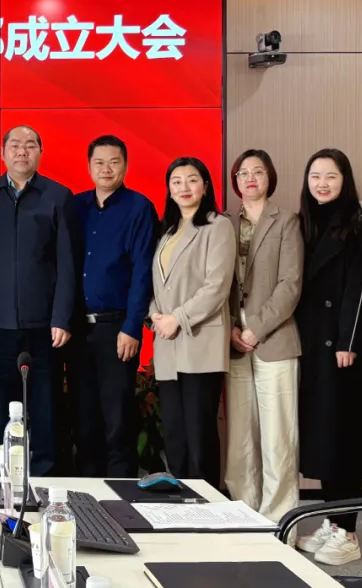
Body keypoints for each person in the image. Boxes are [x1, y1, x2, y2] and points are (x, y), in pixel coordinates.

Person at [294, 149, 362, 567]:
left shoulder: (356, 225)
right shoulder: (307, 224)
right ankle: (332, 520)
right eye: (315, 176)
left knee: (344, 440)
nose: (322, 183)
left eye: (331, 175)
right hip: (313, 347)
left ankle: (348, 532)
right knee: (325, 439)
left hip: (343, 351)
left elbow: (361, 290)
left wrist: (350, 342)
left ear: (345, 180)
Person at [0, 125, 75, 478]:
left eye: (30, 145)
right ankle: (5, 477)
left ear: (40, 152)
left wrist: (62, 317)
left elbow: (67, 262)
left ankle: (45, 478)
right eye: (15, 145)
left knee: (45, 406)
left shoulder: (58, 196)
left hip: (45, 326)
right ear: (3, 152)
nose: (22, 151)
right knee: (2, 408)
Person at [222, 150, 303, 522]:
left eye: (258, 171)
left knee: (277, 435)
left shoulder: (286, 221)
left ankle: (279, 520)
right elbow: (217, 281)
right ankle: (244, 513)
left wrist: (256, 328)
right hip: (232, 339)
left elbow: (290, 284)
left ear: (270, 177)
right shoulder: (223, 222)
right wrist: (231, 327)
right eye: (243, 172)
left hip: (274, 336)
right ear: (235, 180)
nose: (250, 178)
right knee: (239, 435)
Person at [70, 135, 157, 478]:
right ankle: (86, 493)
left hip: (117, 329)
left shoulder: (139, 208)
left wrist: (132, 326)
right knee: (83, 417)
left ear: (126, 165)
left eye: (114, 162)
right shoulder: (76, 207)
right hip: (77, 329)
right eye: (99, 162)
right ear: (89, 166)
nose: (106, 169)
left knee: (117, 417)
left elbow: (142, 271)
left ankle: (120, 492)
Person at [149, 157, 235, 487]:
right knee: (175, 433)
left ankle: (207, 504)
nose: (184, 187)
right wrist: (155, 314)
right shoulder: (167, 230)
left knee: (200, 433)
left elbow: (217, 285)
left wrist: (178, 318)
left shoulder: (218, 226)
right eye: (177, 182)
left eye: (192, 180)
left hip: (200, 342)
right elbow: (157, 284)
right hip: (167, 344)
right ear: (169, 190)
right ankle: (180, 501)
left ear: (206, 186)